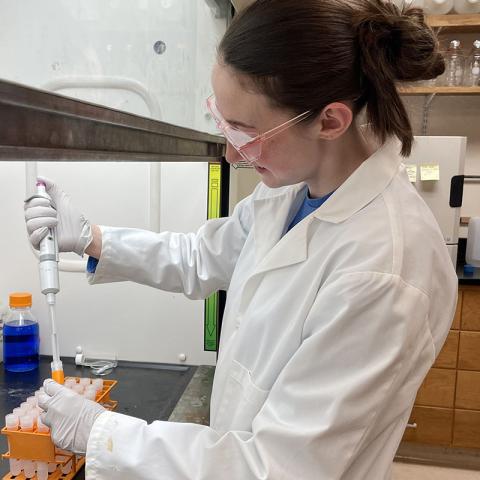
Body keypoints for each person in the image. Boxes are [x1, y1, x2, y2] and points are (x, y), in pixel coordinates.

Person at [24, 0, 458, 478]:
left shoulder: (384, 271)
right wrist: (91, 238)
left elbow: (279, 467)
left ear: (330, 121)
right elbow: (200, 258)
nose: (231, 154)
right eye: (222, 121)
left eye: (245, 131)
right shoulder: (293, 192)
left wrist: (103, 435)